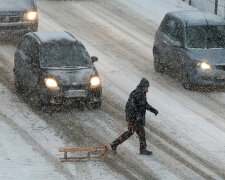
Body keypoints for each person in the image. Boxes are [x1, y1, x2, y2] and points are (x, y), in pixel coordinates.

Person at [111, 78, 158, 155]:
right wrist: (136, 117)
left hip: (135, 117)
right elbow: (136, 106)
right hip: (135, 117)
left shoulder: (140, 92)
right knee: (131, 132)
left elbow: (143, 104)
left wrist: (152, 110)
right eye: (147, 87)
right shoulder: (138, 93)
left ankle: (142, 149)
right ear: (143, 86)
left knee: (140, 133)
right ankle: (115, 144)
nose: (147, 88)